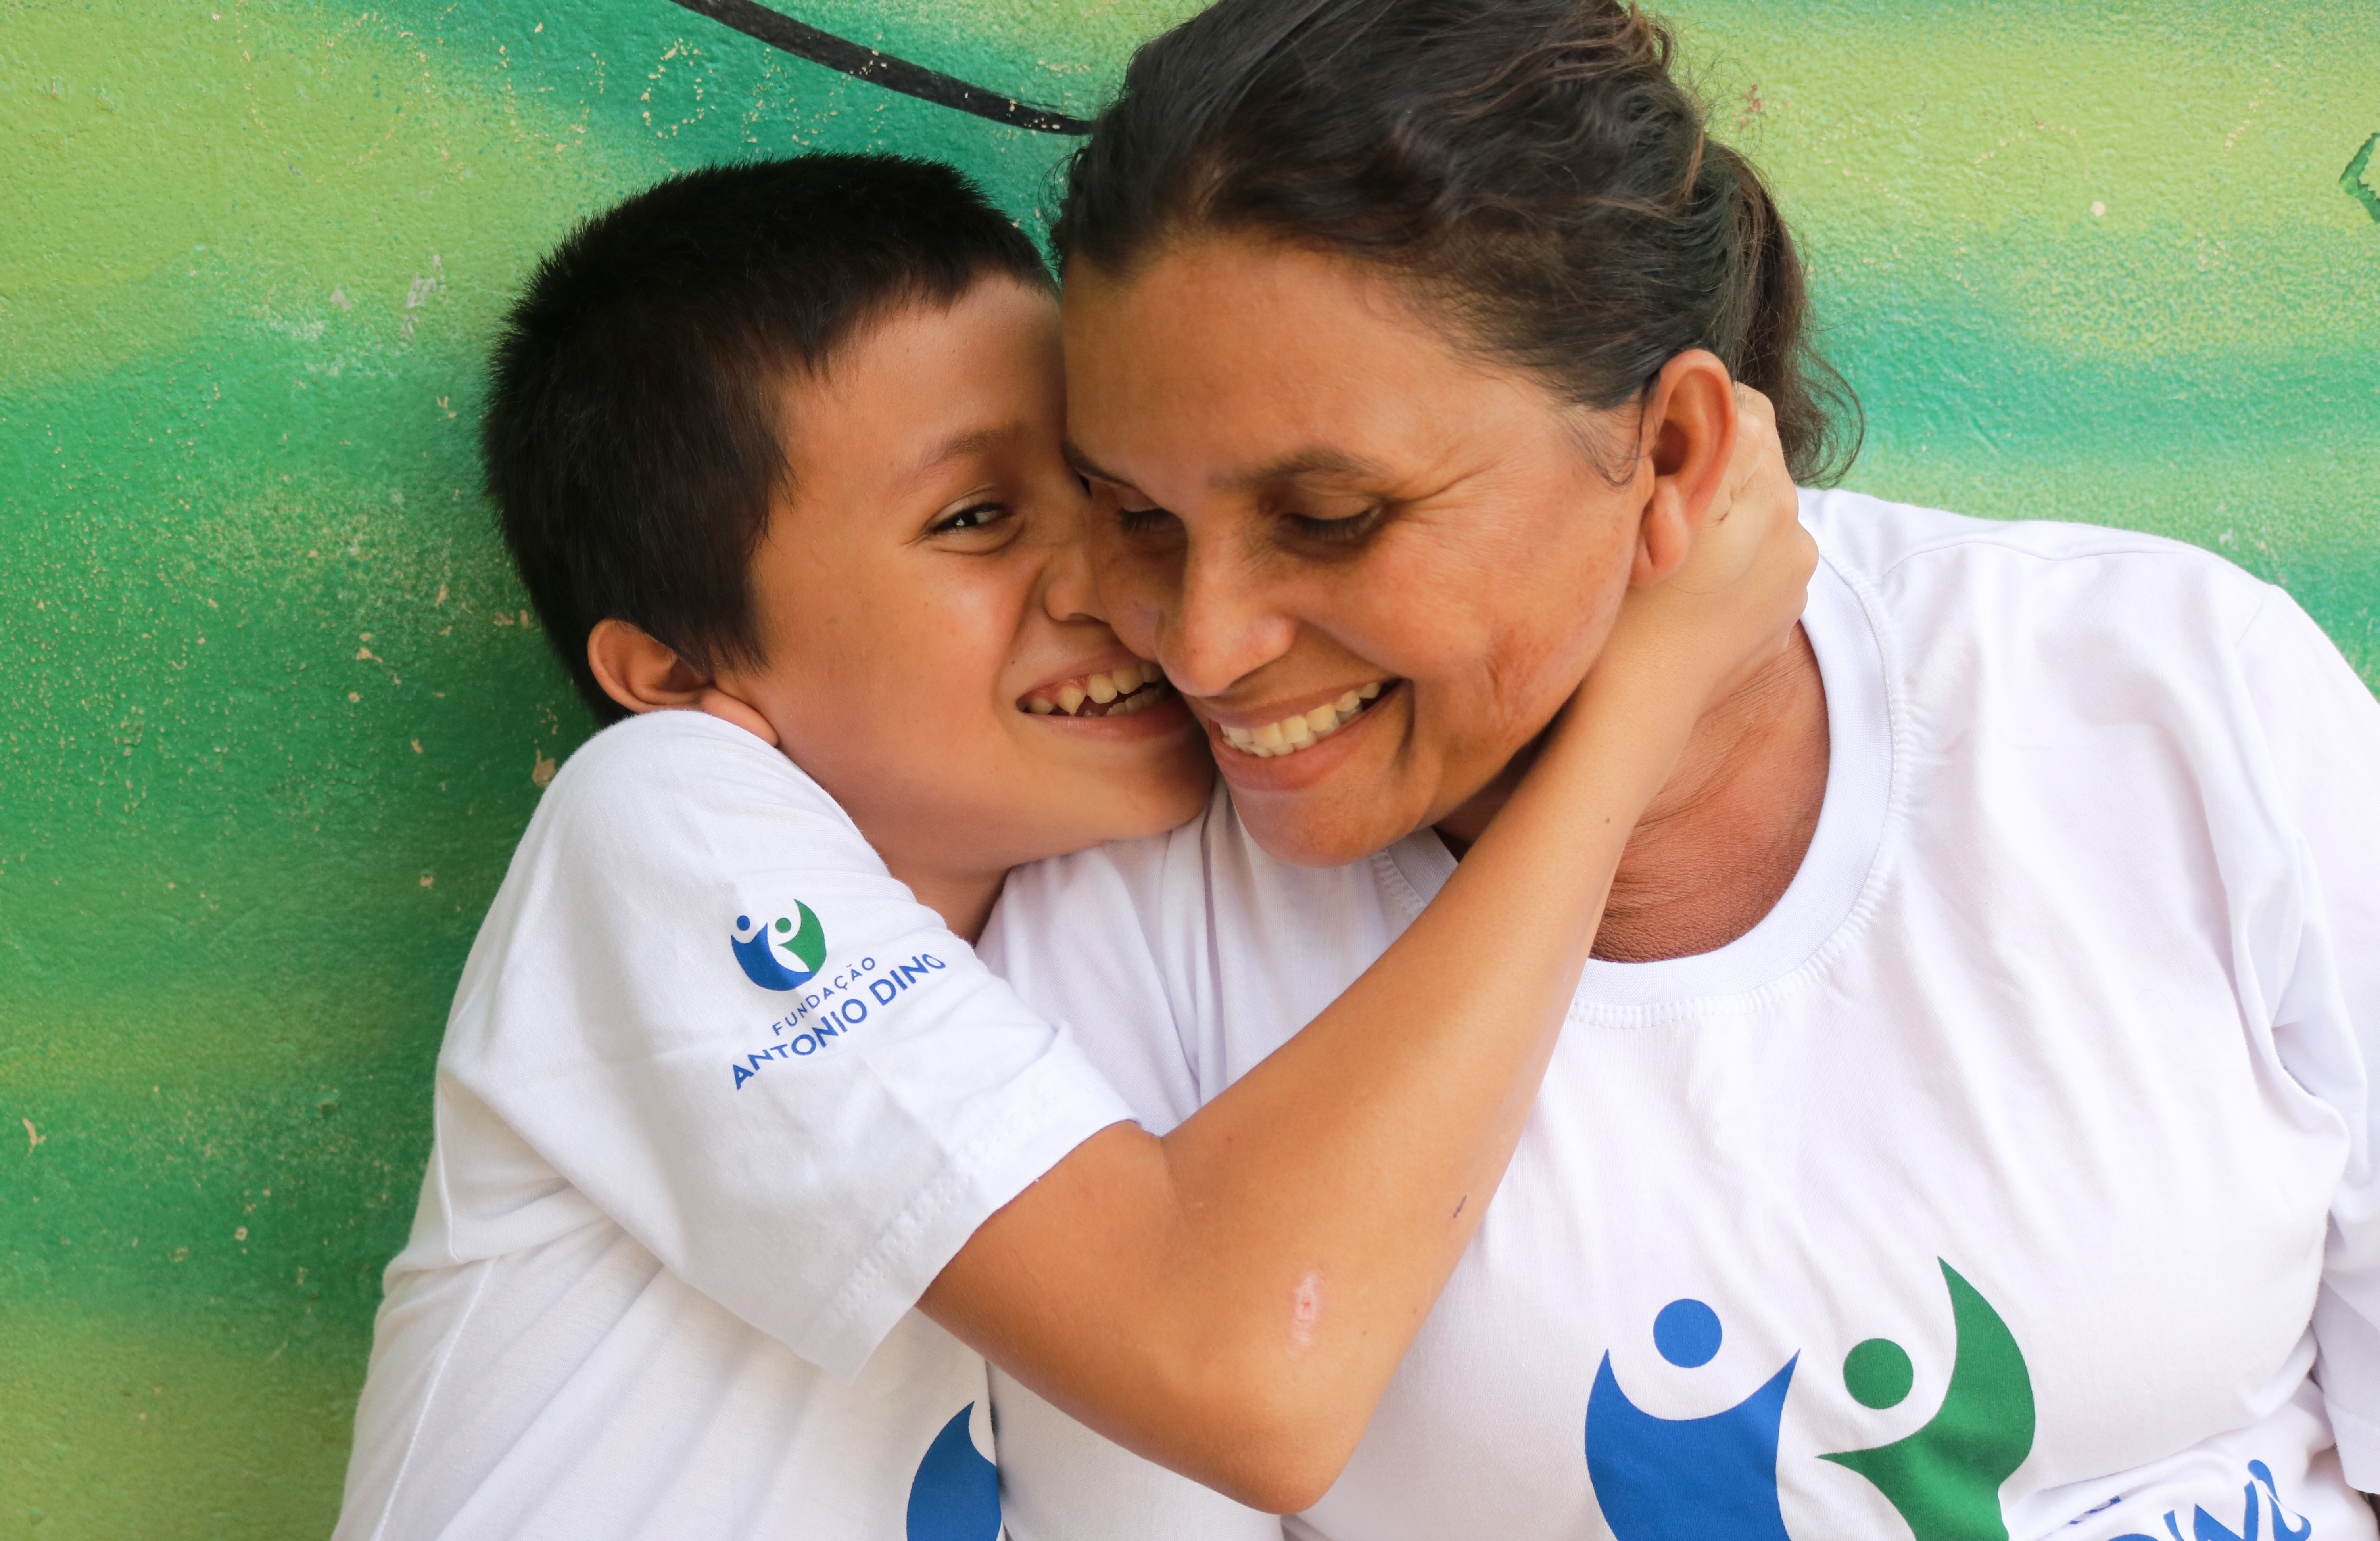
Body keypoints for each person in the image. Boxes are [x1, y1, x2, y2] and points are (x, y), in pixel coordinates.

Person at [980, 0, 2380, 1539]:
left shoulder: (2173, 699)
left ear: (1679, 450)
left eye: (1330, 519)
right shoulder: (1124, 925)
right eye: (1138, 513)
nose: (1206, 641)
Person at [330, 152, 1811, 1539]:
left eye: (1117, 501)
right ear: (673, 675)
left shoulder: (1122, 934)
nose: (1119, 582)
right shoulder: (658, 815)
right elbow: (1246, 1370)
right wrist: (1642, 703)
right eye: (976, 517)